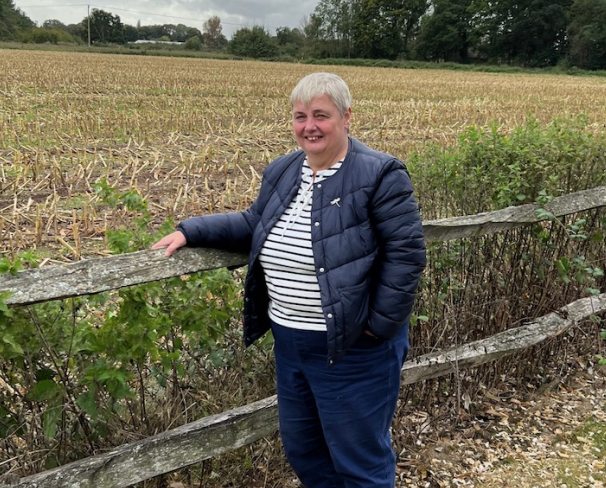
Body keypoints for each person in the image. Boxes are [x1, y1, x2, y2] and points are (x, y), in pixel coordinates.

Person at [152, 72, 426, 488]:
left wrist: (377, 328)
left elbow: (406, 256)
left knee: (359, 461)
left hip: (352, 346)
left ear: (347, 117)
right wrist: (192, 230)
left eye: (321, 115)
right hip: (291, 341)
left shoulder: (380, 174)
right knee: (306, 451)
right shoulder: (283, 170)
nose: (309, 126)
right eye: (300, 116)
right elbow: (252, 222)